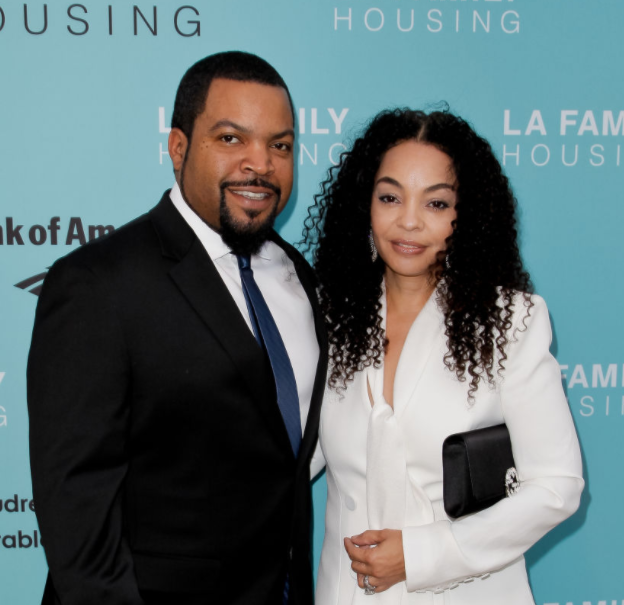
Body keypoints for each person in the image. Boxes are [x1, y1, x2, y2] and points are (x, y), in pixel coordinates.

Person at [27, 51, 328, 605]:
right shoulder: (97, 283)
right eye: (232, 139)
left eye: (280, 145)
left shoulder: (298, 277)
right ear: (178, 147)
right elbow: (77, 508)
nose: (260, 164)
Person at [305, 108, 584, 604]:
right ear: (363, 205)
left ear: (465, 214)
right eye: (390, 197)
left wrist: (422, 555)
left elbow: (557, 486)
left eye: (436, 203)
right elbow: (294, 458)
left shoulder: (510, 322)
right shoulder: (330, 318)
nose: (408, 220)